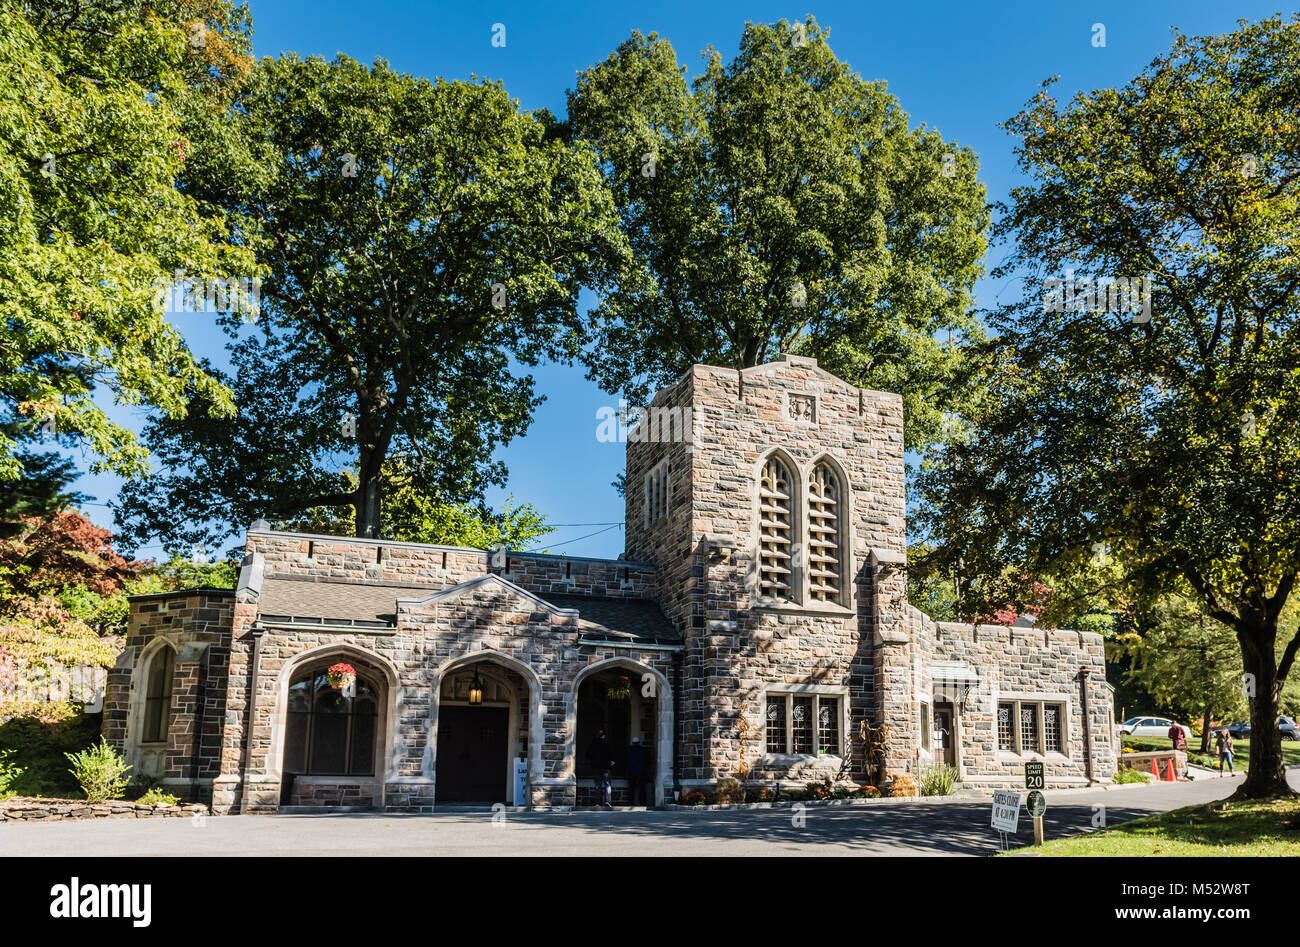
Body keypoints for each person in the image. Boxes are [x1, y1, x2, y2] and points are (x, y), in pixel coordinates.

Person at [586, 729, 614, 808]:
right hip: (606, 767)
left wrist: (593, 760)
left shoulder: (593, 744)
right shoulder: (607, 743)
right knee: (607, 784)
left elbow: (587, 754)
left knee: (598, 785)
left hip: (596, 767)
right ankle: (607, 801)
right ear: (604, 736)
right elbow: (611, 753)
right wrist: (611, 761)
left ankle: (597, 802)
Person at [626, 736, 649, 807]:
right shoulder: (643, 750)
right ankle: (642, 802)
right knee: (642, 787)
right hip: (641, 771)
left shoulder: (629, 750)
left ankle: (630, 802)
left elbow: (625, 760)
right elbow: (647, 760)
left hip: (631, 771)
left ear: (633, 742)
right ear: (639, 742)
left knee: (631, 787)